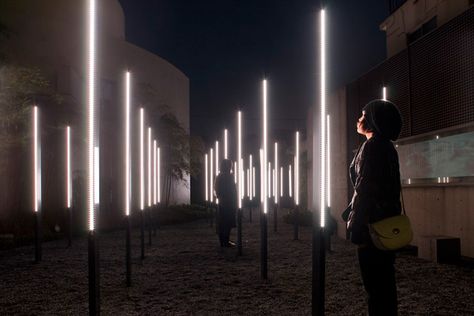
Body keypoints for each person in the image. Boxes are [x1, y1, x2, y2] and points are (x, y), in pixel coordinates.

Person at [343, 99, 403, 316]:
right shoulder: (385, 146)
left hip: (372, 225)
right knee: (384, 281)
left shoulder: (373, 146)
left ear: (373, 121)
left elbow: (365, 188)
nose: (359, 119)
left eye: (363, 115)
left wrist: (356, 224)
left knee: (375, 285)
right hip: (385, 221)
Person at [214, 159, 237, 247]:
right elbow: (232, 190)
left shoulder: (219, 176)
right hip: (228, 202)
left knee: (223, 222)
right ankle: (225, 241)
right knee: (227, 223)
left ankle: (223, 241)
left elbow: (217, 190)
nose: (231, 166)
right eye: (230, 165)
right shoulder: (229, 177)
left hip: (222, 202)